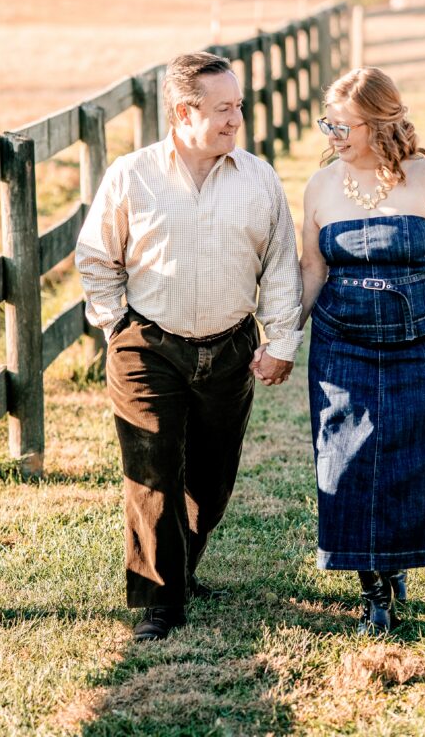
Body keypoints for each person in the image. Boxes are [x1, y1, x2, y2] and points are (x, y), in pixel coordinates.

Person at [75, 52, 302, 641]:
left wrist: (280, 340)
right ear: (183, 112)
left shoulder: (259, 178)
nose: (237, 118)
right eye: (224, 108)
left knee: (212, 478)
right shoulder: (133, 175)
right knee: (151, 471)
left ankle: (180, 565)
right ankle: (162, 601)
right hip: (148, 346)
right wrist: (115, 325)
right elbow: (97, 256)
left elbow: (280, 265)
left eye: (239, 106)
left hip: (229, 349)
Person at [299, 67, 425, 635]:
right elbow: (312, 269)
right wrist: (284, 338)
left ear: (380, 124)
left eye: (343, 126)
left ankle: (397, 563)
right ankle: (374, 593)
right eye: (327, 125)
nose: (332, 136)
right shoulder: (320, 186)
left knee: (418, 458)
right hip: (342, 342)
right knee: (347, 458)